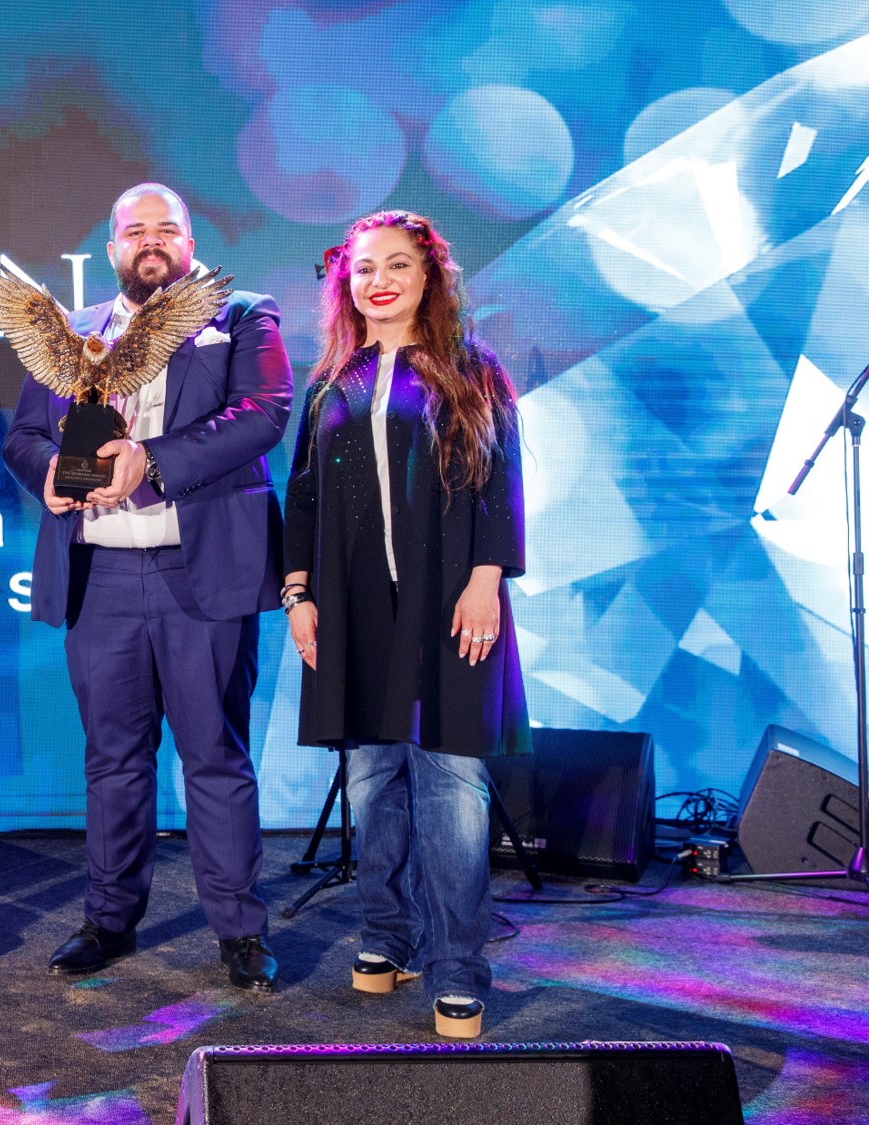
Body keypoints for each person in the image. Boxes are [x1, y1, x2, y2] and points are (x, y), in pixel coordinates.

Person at [2, 183, 292, 992]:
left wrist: (152, 460)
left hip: (199, 573)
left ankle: (239, 928)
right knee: (113, 759)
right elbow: (24, 437)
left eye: (168, 228)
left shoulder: (242, 315)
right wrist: (49, 474)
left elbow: (265, 410)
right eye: (136, 230)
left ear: (192, 241)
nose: (152, 240)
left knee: (214, 756)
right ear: (113, 248)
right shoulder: (74, 334)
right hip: (100, 576)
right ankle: (107, 918)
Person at [283, 210, 528, 1038]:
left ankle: (458, 967)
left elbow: (501, 481)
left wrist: (487, 578)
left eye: (395, 265)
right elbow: (303, 495)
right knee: (371, 780)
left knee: (451, 785)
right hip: (355, 612)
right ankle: (388, 935)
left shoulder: (473, 369)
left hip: (450, 604)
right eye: (363, 269)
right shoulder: (332, 381)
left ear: (429, 275)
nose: (378, 281)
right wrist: (298, 593)